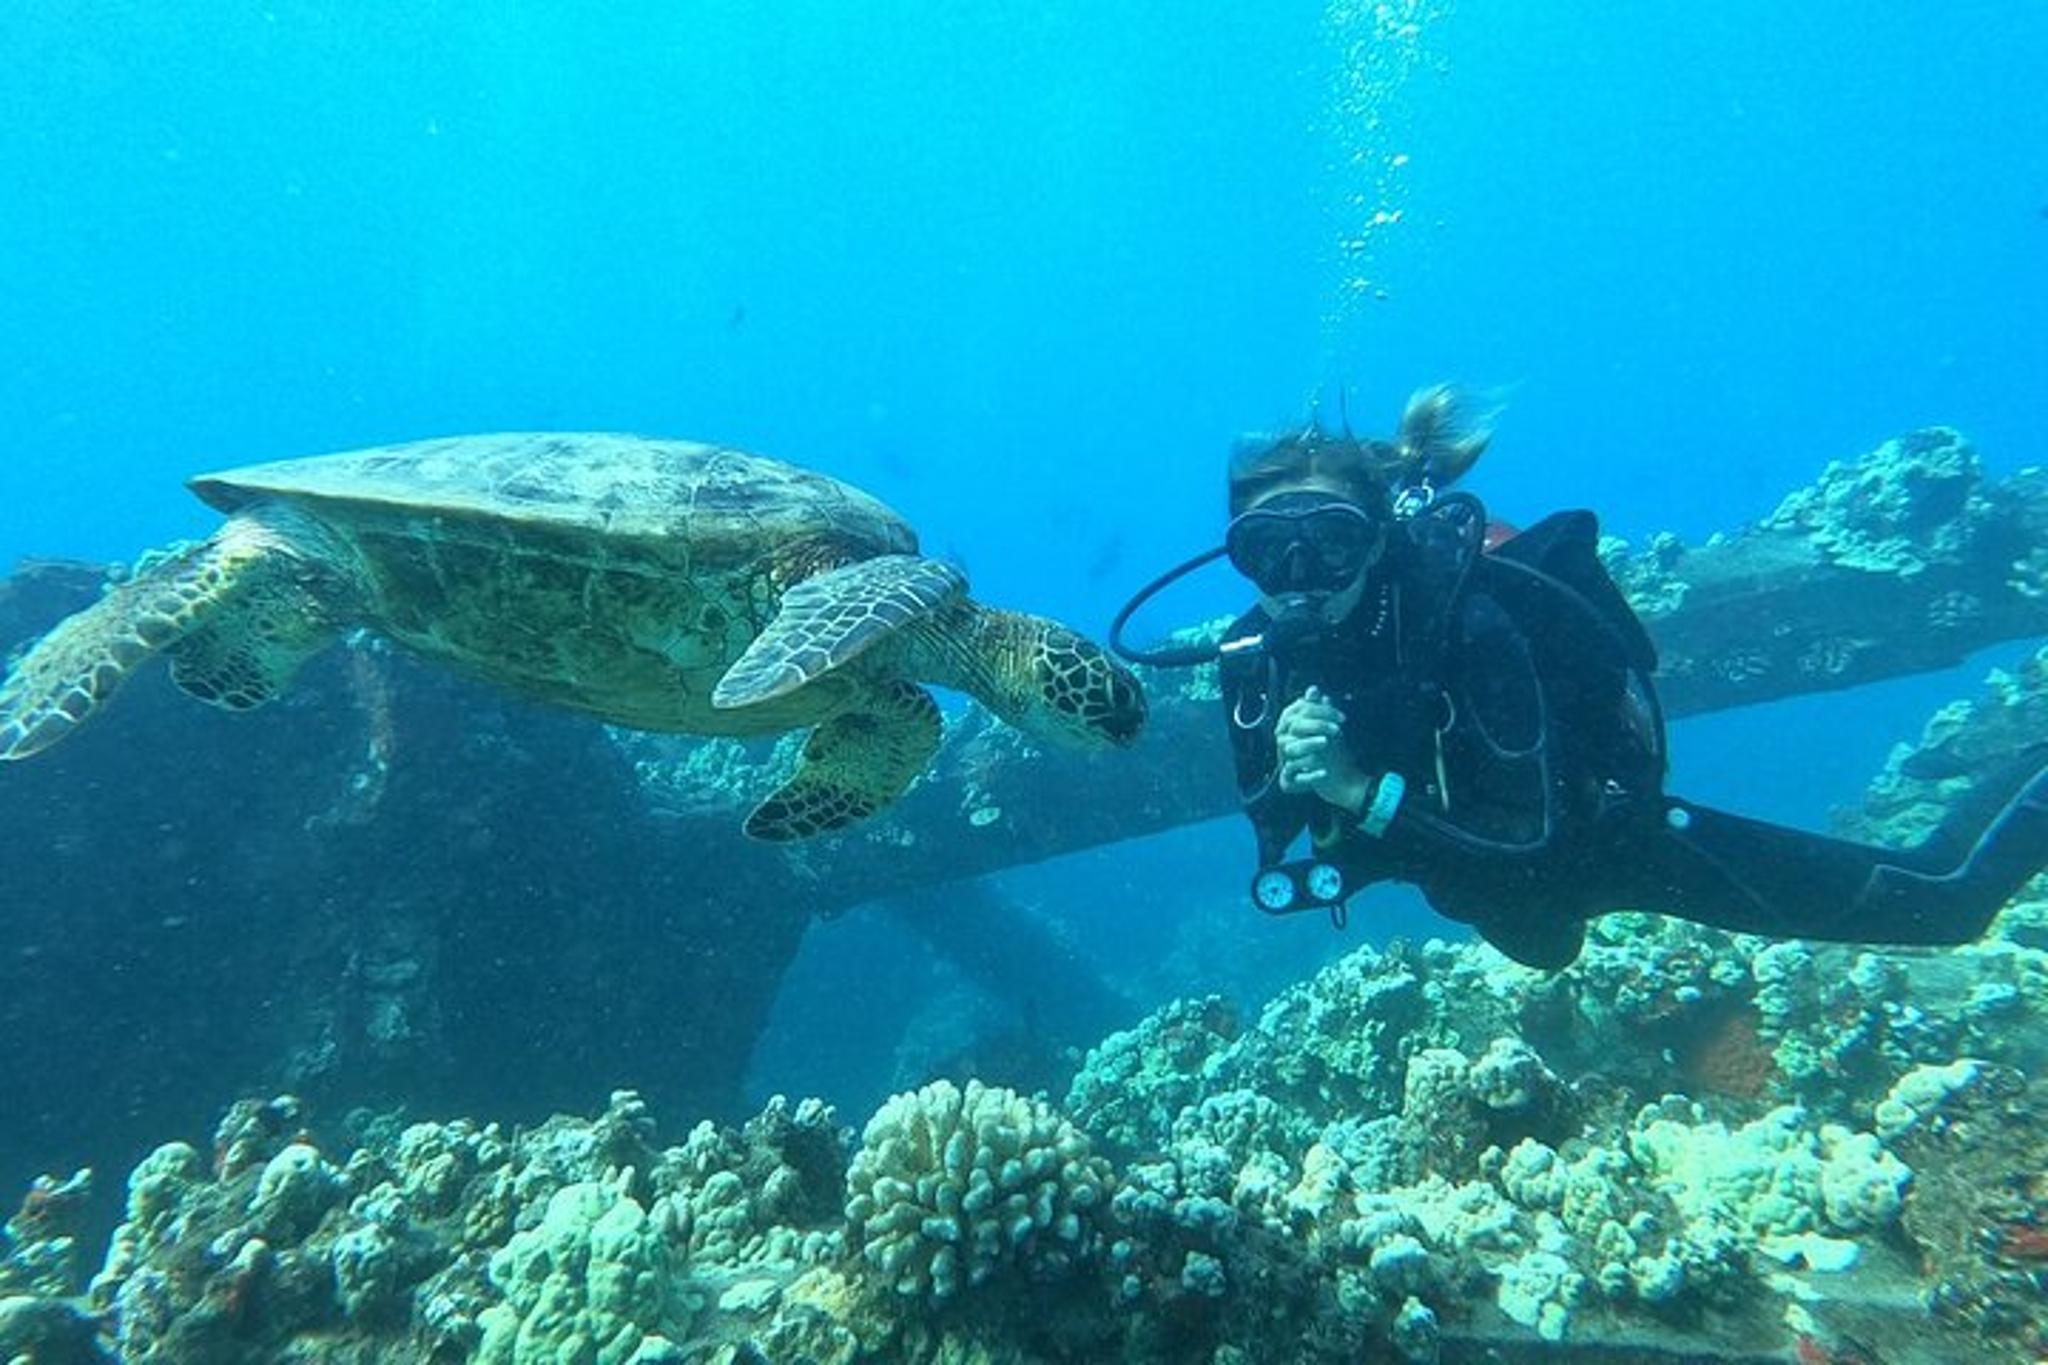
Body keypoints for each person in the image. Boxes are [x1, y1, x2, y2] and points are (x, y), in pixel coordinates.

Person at [1112, 386, 2048, 969]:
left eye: (1333, 541)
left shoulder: (1464, 619)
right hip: (1477, 885)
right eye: (1270, 551)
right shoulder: (1254, 663)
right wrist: (1294, 783)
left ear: (1381, 534)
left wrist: (1357, 787)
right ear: (1237, 555)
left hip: (1604, 845)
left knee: (1949, 899)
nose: (1302, 580)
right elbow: (1284, 856)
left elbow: (1533, 838)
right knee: (1542, 946)